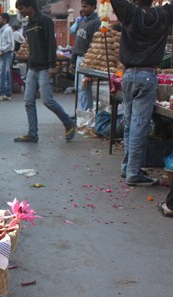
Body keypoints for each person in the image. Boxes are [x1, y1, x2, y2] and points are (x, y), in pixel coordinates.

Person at [111, 0, 173, 186]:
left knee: (131, 124)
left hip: (129, 76)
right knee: (138, 126)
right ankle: (133, 172)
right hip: (147, 75)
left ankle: (129, 168)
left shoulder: (130, 13)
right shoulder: (163, 15)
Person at [14, 0, 76, 143]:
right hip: (32, 67)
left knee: (47, 100)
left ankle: (68, 123)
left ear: (30, 6)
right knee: (28, 101)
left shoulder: (44, 21)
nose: (20, 11)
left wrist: (52, 65)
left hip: (44, 68)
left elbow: (51, 44)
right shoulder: (28, 24)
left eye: (21, 8)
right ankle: (32, 134)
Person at [71, 1, 101, 112]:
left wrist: (91, 64)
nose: (83, 9)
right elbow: (77, 42)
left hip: (87, 59)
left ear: (93, 7)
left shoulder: (96, 23)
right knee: (78, 88)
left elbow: (95, 45)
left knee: (85, 89)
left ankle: (86, 114)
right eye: (82, 6)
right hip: (79, 58)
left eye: (86, 6)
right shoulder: (82, 21)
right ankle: (82, 113)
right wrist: (73, 60)